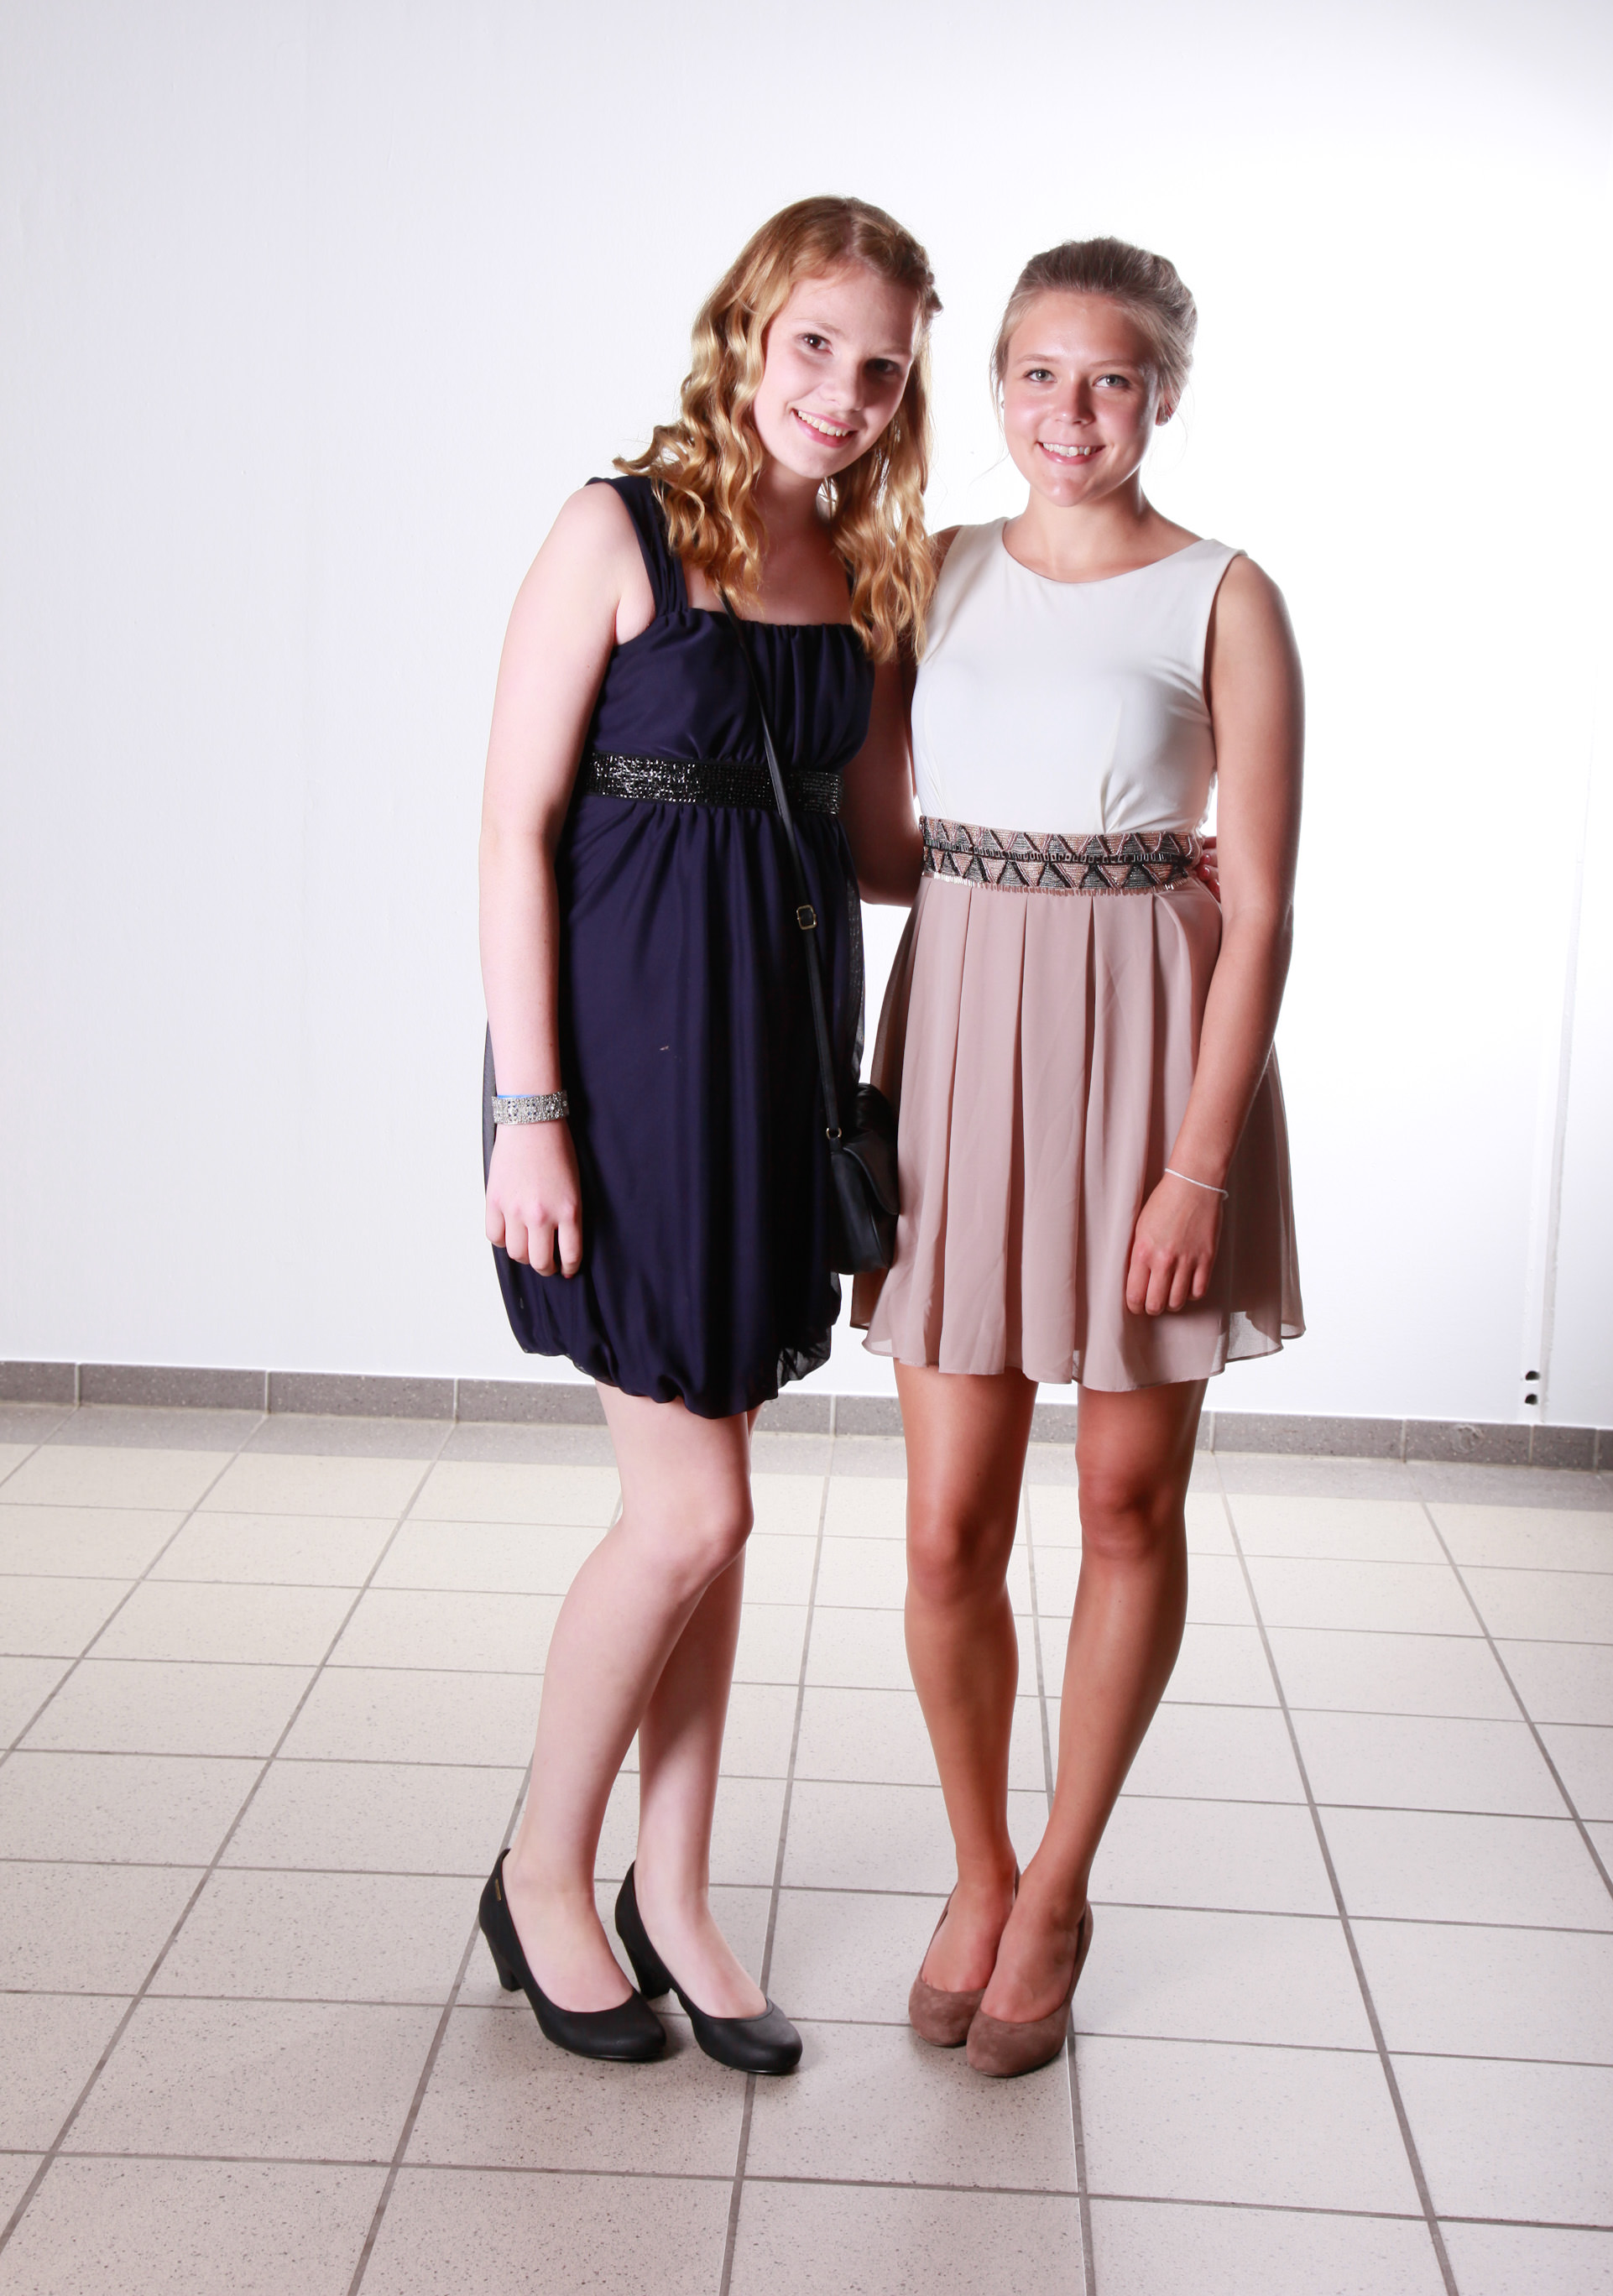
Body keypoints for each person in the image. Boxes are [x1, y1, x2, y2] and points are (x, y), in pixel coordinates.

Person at [478, 197, 930, 2072]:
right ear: (747, 328)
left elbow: (885, 851)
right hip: (622, 1072)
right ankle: (540, 1876)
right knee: (697, 1511)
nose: (840, 391)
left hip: (774, 1068)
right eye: (814, 343)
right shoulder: (619, 527)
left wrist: (1111, 854)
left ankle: (675, 1891)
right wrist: (529, 1112)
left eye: (880, 367)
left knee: (716, 1515)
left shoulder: (866, 572)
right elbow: (511, 830)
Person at [858, 237, 1303, 2077]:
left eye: (1109, 378)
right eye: (1037, 374)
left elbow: (1260, 906)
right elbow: (874, 843)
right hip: (964, 1033)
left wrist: (1198, 1170)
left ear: (1164, 396)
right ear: (996, 389)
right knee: (947, 1525)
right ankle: (979, 1873)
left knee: (1124, 1507)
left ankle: (1059, 1890)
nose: (1069, 412)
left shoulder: (1226, 594)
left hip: (1149, 1064)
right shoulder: (933, 568)